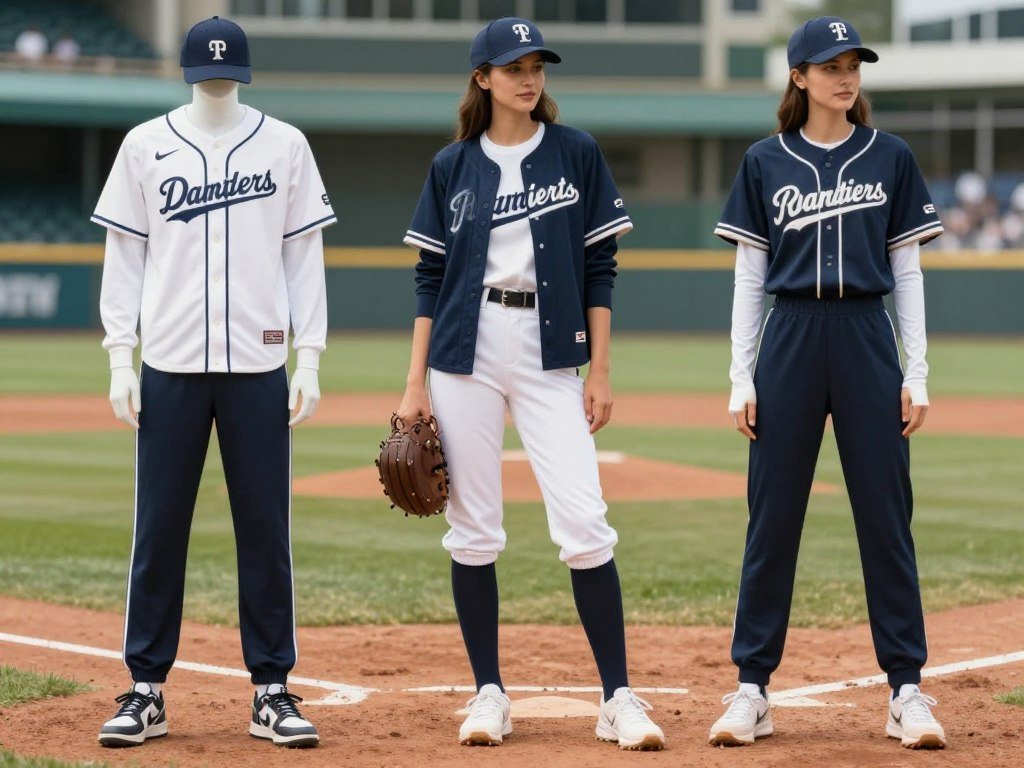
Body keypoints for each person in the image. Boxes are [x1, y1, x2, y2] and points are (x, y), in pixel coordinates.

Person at [398, 16, 665, 751]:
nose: (529, 76)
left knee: (584, 521)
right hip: (463, 349)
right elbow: (430, 278)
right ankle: (489, 693)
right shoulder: (452, 165)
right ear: (482, 78)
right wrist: (413, 383)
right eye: (513, 66)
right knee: (474, 529)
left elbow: (599, 267)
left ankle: (618, 697)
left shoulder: (575, 152)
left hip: (551, 350)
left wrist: (600, 368)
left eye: (537, 65)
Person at [90, 16, 333, 749]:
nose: (218, 82)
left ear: (245, 72)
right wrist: (117, 355)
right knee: (158, 528)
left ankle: (272, 690)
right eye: (208, 72)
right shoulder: (145, 145)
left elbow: (304, 260)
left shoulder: (286, 144)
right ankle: (145, 690)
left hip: (259, 364)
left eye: (228, 72)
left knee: (265, 528)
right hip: (168, 363)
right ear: (189, 74)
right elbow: (124, 258)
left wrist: (310, 355)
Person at [708, 16, 946, 750]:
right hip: (792, 335)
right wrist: (739, 374)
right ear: (798, 76)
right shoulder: (765, 161)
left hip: (866, 333)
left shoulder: (891, 156)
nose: (846, 76)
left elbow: (906, 270)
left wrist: (918, 370)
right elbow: (751, 276)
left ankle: (905, 688)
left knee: (885, 514)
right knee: (772, 516)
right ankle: (753, 686)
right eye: (830, 64)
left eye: (854, 64)